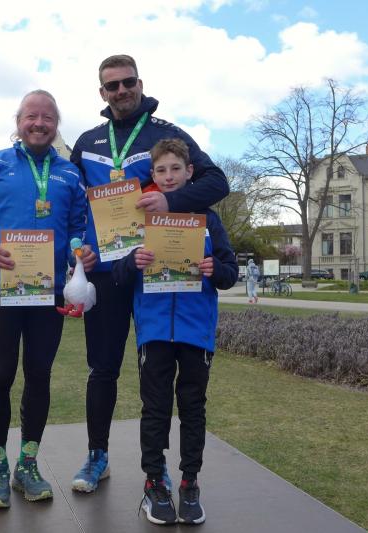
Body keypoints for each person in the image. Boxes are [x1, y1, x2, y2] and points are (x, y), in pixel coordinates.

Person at [69, 54, 229, 493]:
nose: (121, 91)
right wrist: (76, 250)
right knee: (102, 369)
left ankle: (161, 470)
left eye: (128, 82)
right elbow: (72, 204)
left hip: (157, 273)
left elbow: (217, 182)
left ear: (140, 84)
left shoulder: (167, 134)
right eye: (112, 85)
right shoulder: (86, 141)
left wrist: (170, 202)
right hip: (106, 272)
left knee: (157, 376)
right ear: (102, 92)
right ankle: (97, 456)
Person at [0, 89, 96, 510]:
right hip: (0, 287)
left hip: (47, 292)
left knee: (39, 376)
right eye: (31, 116)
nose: (39, 124)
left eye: (47, 118)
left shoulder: (70, 174)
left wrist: (80, 252)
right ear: (18, 122)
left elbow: (79, 226)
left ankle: (28, 465)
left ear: (56, 125)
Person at [113, 139, 238, 525]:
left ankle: (189, 483)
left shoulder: (208, 220)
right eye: (161, 170)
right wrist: (133, 261)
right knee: (155, 409)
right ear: (153, 175)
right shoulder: (139, 218)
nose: (168, 177)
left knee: (193, 407)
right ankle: (154, 483)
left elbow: (230, 273)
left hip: (196, 331)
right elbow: (117, 276)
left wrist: (213, 269)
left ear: (189, 173)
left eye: (175, 169)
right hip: (153, 331)